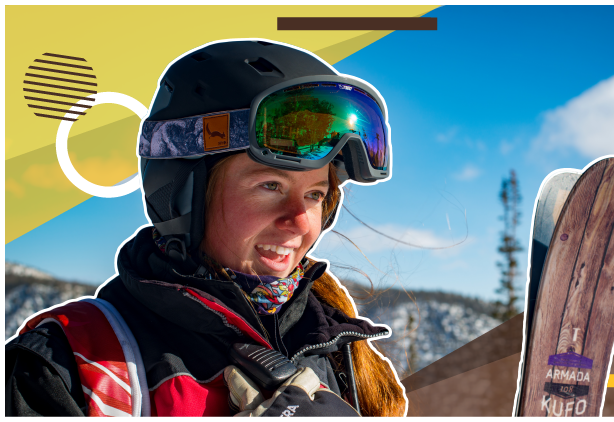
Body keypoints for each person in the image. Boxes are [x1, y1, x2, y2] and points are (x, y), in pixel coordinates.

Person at [6, 39, 406, 417]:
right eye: (270, 186)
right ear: (183, 194)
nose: (300, 222)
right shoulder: (68, 362)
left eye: (315, 195)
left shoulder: (338, 347)